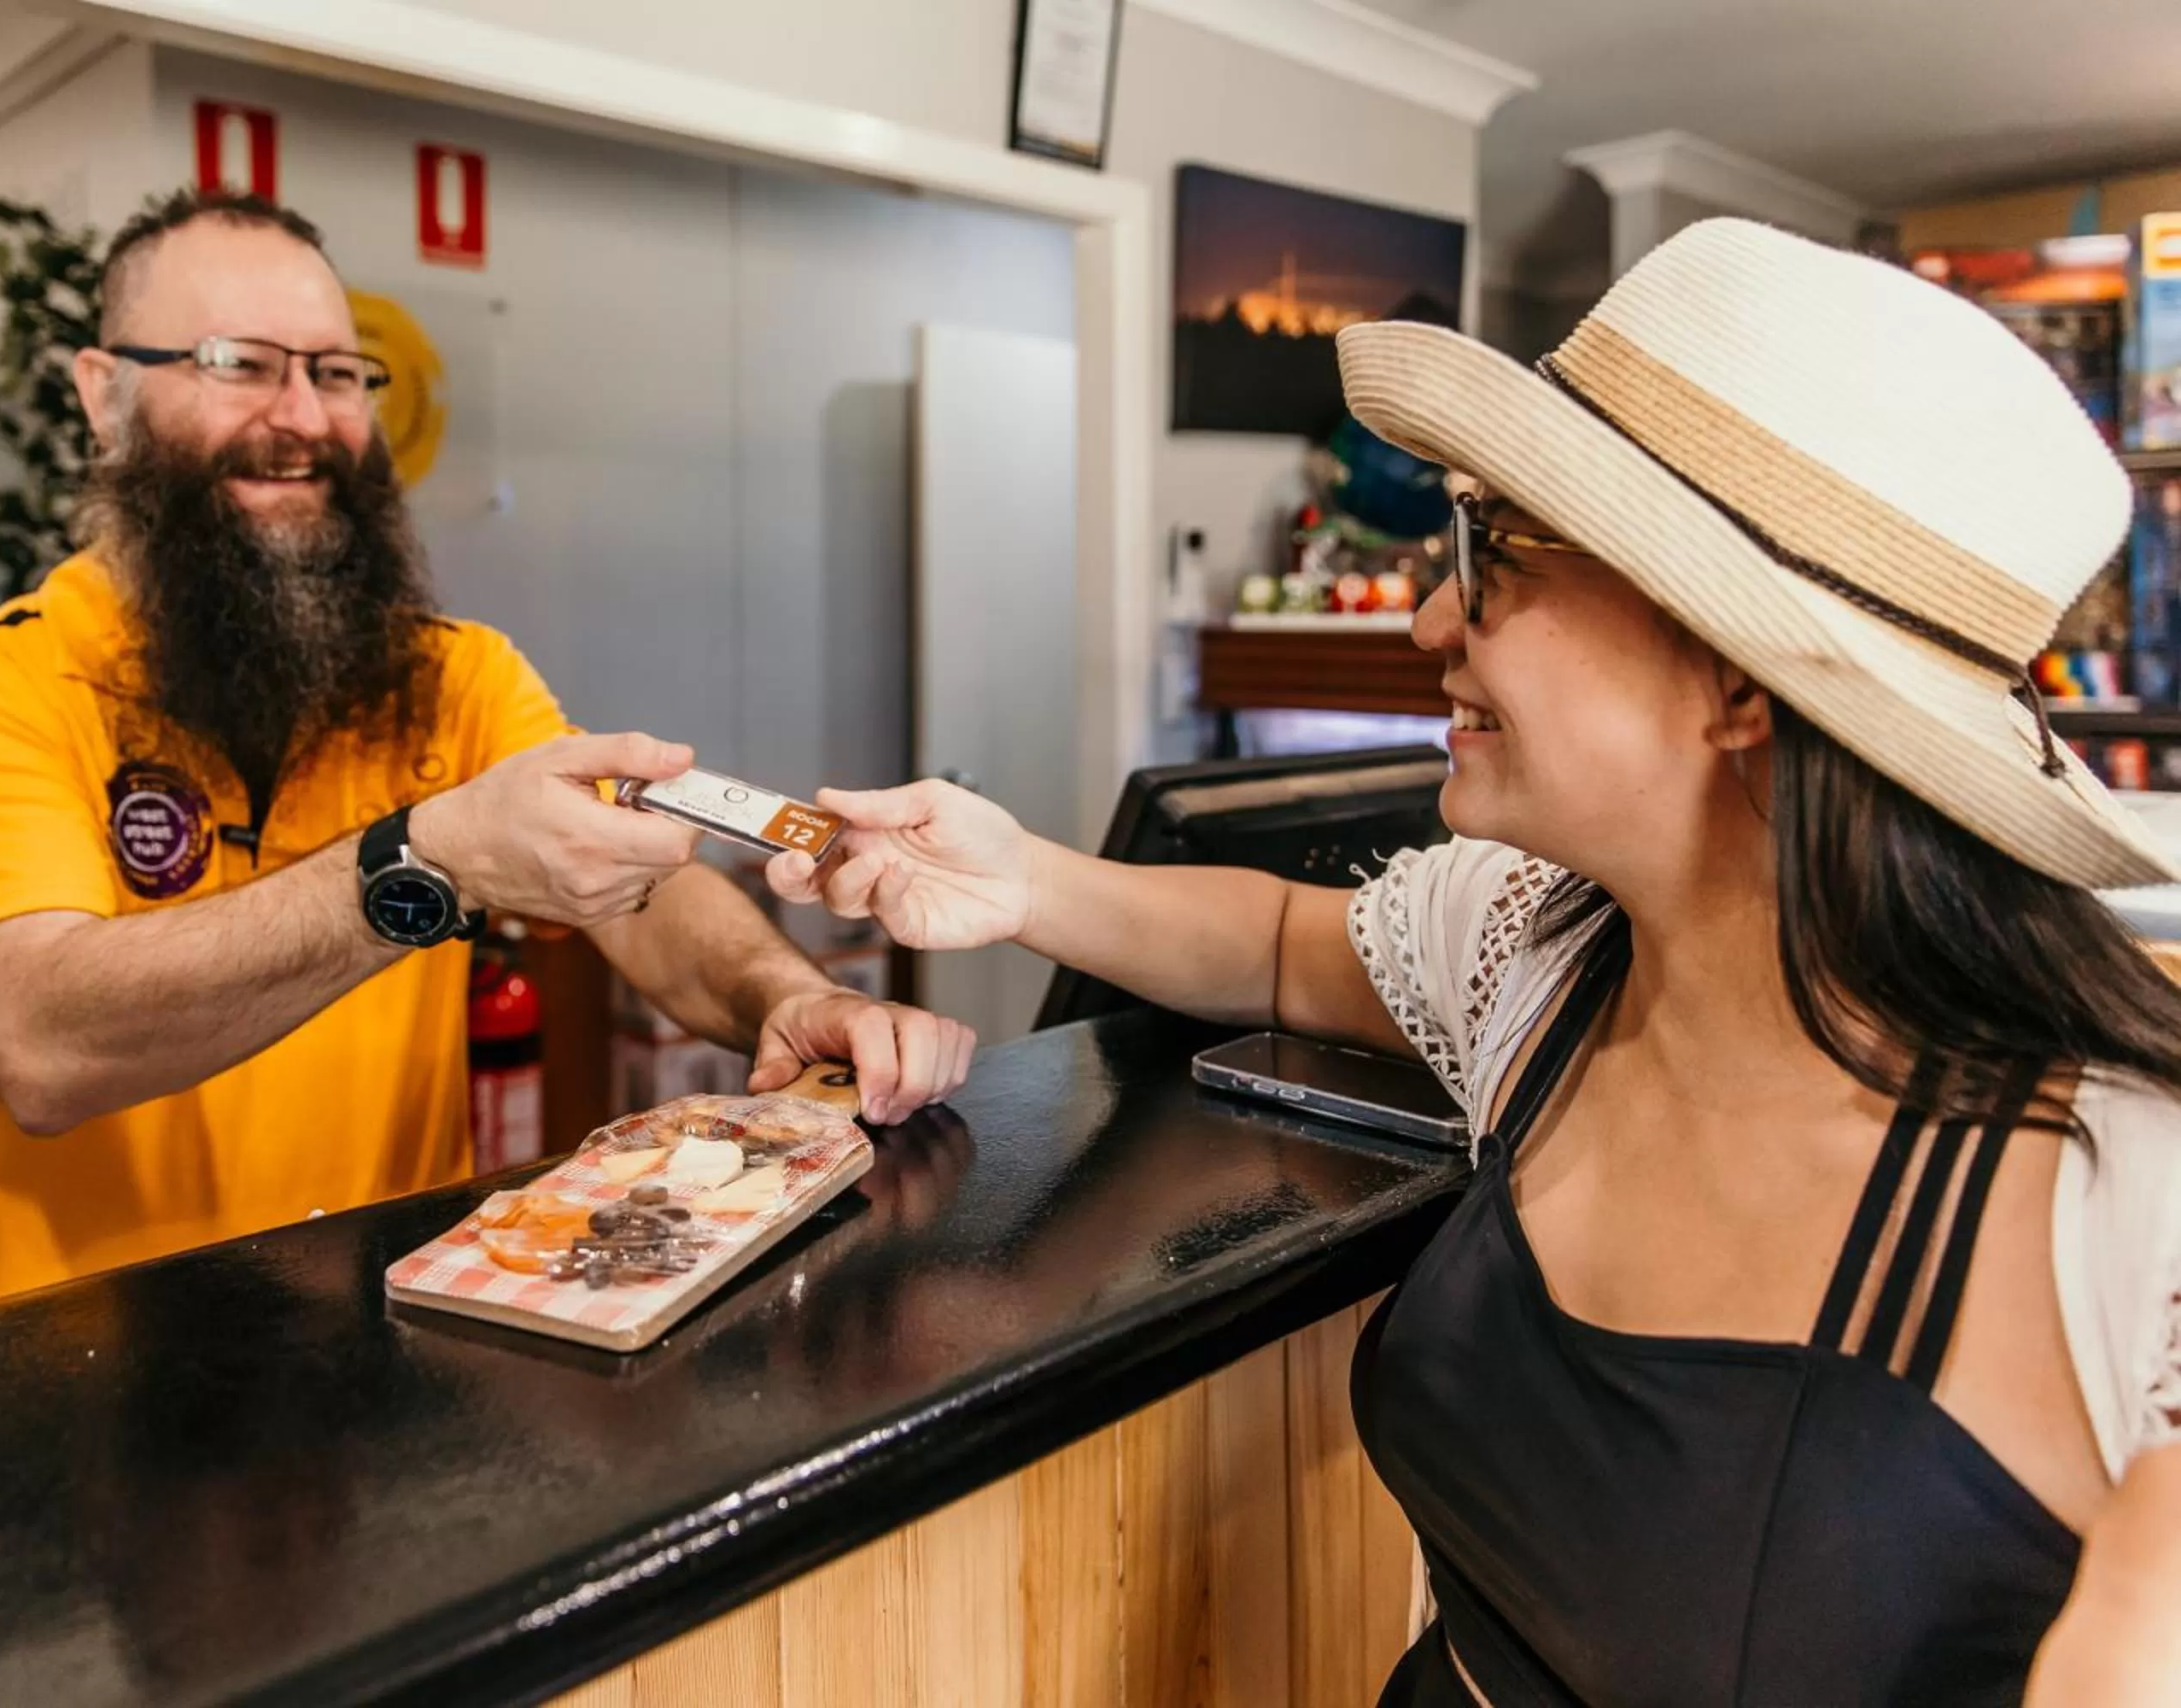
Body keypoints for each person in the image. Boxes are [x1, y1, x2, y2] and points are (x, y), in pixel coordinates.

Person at [771, 219, 2181, 1703]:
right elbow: (1271, 943)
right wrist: (1018, 879)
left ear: (1738, 680)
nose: (1437, 617)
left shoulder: (2124, 1204)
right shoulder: (1546, 959)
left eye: (1493, 550)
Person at [0, 188, 970, 1311]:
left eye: (335, 372)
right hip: (56, 1380)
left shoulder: (454, 678)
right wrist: (419, 867)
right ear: (103, 394)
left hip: (380, 1345)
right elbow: (40, 1039)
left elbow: (640, 884)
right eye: (239, 364)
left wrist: (783, 994)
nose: (304, 418)